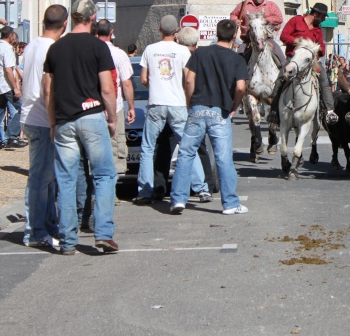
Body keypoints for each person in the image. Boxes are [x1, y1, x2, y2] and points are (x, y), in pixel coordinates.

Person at [44, 0, 118, 255]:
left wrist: (53, 122)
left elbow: (49, 91)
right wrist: (112, 118)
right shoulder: (98, 47)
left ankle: (67, 240)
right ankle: (103, 233)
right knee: (104, 174)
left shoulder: (55, 48)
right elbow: (107, 89)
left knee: (66, 179)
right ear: (92, 18)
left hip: (64, 119)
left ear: (71, 19)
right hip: (91, 115)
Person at [170, 19, 248, 215]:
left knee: (186, 153)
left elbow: (189, 79)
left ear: (216, 32)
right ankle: (230, 203)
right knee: (223, 158)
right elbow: (240, 87)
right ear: (234, 36)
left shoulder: (200, 53)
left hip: (197, 107)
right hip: (220, 110)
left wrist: (190, 102)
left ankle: (178, 199)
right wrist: (234, 106)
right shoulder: (237, 59)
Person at [134, 15, 197, 203]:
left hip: (156, 103)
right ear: (176, 32)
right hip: (177, 103)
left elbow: (144, 79)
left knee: (147, 148)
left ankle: (145, 190)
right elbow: (188, 79)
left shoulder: (150, 50)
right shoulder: (183, 51)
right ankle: (200, 187)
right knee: (187, 146)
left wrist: (156, 86)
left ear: (159, 29)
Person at [21, 5, 68, 248]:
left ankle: (47, 226)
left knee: (46, 178)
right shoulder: (52, 49)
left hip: (31, 115)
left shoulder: (32, 45)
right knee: (41, 178)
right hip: (42, 118)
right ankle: (35, 231)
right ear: (65, 24)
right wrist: (54, 122)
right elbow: (49, 89)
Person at [268, 3, 338, 130]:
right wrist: (298, 42)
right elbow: (284, 36)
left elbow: (322, 48)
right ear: (315, 14)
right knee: (281, 79)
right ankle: (273, 112)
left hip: (311, 61)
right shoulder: (296, 21)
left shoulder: (318, 30)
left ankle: (329, 111)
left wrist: (317, 49)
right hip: (293, 58)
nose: (323, 20)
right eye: (322, 17)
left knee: (324, 80)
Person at [95, 20, 135, 176]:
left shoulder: (91, 50)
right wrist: (131, 107)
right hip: (115, 106)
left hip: (92, 107)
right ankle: (112, 189)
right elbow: (126, 83)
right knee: (115, 145)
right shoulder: (119, 54)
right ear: (111, 32)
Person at [229, 0, 285, 65]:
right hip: (248, 40)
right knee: (239, 59)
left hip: (267, 39)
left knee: (281, 58)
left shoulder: (271, 5)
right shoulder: (243, 5)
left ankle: (283, 75)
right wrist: (235, 20)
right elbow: (233, 14)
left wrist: (266, 19)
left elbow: (279, 18)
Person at [0, 26, 25, 148]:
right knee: (24, 109)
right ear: (10, 36)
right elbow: (8, 70)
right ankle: (11, 136)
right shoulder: (7, 49)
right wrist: (16, 88)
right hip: (7, 85)